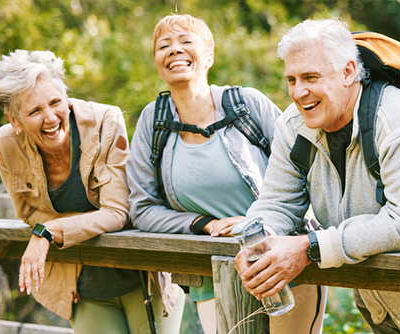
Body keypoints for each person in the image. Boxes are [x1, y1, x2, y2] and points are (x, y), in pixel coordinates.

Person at [232, 18, 400, 334]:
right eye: (291, 79)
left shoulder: (397, 119)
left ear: (348, 72)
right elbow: (276, 202)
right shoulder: (294, 126)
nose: (299, 92)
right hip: (378, 307)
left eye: (311, 77)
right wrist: (257, 241)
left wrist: (308, 247)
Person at [126, 13, 326, 333]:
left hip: (282, 262)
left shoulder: (245, 104)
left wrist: (255, 222)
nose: (175, 50)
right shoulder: (154, 121)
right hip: (213, 273)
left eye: (186, 42)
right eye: (164, 46)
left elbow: (305, 170)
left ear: (209, 56)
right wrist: (203, 224)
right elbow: (142, 208)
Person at [0, 50, 184, 333]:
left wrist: (50, 232)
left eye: (56, 102)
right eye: (34, 111)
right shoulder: (6, 144)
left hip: (142, 277)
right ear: (14, 120)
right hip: (81, 286)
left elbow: (117, 212)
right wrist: (59, 228)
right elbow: (28, 213)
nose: (50, 117)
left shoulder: (106, 120)